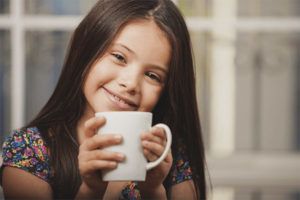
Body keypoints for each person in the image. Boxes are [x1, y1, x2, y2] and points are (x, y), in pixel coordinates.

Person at [1, 0, 207, 199]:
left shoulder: (171, 158)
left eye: (153, 76)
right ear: (86, 48)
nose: (131, 83)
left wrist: (153, 192)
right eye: (119, 57)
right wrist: (91, 191)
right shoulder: (29, 148)